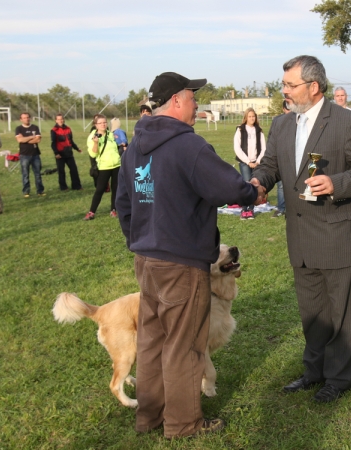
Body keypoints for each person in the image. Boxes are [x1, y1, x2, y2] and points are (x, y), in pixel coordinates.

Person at [116, 71, 258, 438]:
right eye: (193, 98)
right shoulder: (187, 145)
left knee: (151, 342)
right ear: (176, 101)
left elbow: (124, 204)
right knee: (183, 346)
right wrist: (250, 191)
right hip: (181, 263)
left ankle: (149, 416)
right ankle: (182, 424)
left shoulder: (135, 146)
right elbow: (229, 185)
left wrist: (142, 240)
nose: (197, 105)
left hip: (146, 260)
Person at [251, 55, 351, 402]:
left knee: (340, 314)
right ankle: (314, 372)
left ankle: (338, 380)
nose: (285, 91)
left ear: (313, 86)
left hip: (339, 235)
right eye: (284, 84)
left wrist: (336, 182)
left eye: (290, 85)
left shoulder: (345, 122)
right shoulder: (282, 125)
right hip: (301, 238)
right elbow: (270, 165)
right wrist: (258, 181)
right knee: (312, 312)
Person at [84, 114, 120, 220]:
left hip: (117, 165)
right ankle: (91, 212)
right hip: (104, 166)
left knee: (116, 189)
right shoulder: (92, 137)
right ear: (96, 125)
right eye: (101, 123)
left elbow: (115, 148)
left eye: (105, 122)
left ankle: (114, 210)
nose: (103, 125)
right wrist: (96, 143)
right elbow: (93, 154)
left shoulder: (110, 134)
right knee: (100, 189)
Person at [233, 108, 266, 220]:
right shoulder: (240, 130)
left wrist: (258, 161)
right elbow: (237, 147)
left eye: (254, 116)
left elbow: (263, 148)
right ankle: (244, 209)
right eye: (250, 116)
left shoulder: (259, 131)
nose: (252, 118)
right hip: (244, 162)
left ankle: (251, 209)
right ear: (246, 117)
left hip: (256, 162)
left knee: (254, 186)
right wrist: (247, 161)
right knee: (246, 185)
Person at [15, 112, 45, 198]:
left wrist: (25, 139)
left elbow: (38, 140)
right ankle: (26, 192)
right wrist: (32, 137)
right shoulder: (19, 129)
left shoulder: (35, 127)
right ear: (21, 119)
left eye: (27, 117)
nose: (26, 119)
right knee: (25, 174)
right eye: (24, 118)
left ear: (30, 118)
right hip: (24, 155)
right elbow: (20, 140)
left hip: (35, 154)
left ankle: (40, 191)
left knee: (38, 174)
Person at [50, 114, 83, 191]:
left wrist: (77, 148)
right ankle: (63, 187)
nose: (60, 121)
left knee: (74, 170)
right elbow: (53, 143)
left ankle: (77, 186)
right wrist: (56, 153)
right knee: (61, 171)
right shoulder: (54, 130)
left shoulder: (68, 128)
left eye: (61, 119)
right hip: (60, 154)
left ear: (63, 119)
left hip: (69, 153)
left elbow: (71, 141)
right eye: (58, 119)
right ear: (56, 120)